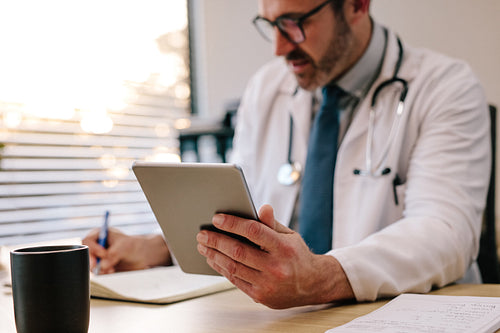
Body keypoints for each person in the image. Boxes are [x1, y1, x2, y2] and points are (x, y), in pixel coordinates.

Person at [83, 0, 490, 309]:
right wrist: (158, 249)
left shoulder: (445, 87)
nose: (279, 47)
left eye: (295, 23)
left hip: (405, 315)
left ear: (357, 5)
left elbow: (446, 233)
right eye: (270, 24)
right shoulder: (267, 89)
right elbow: (240, 218)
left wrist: (321, 277)